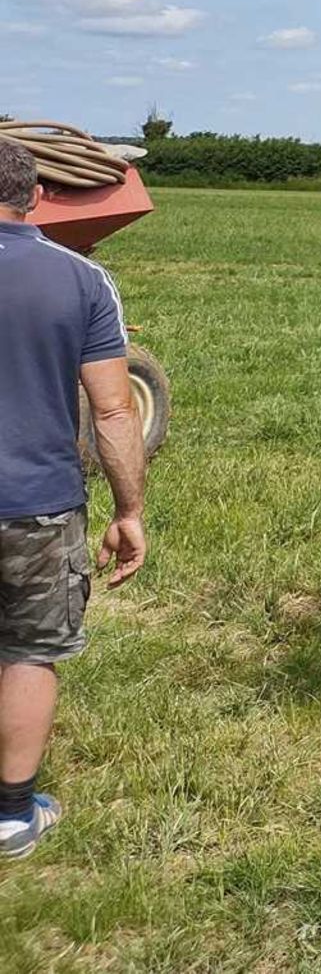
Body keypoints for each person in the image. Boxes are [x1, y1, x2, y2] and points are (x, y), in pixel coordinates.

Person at [0, 136, 147, 858]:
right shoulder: (82, 279)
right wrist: (129, 511)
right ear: (37, 196)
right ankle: (10, 813)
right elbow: (116, 412)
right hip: (37, 504)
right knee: (29, 652)